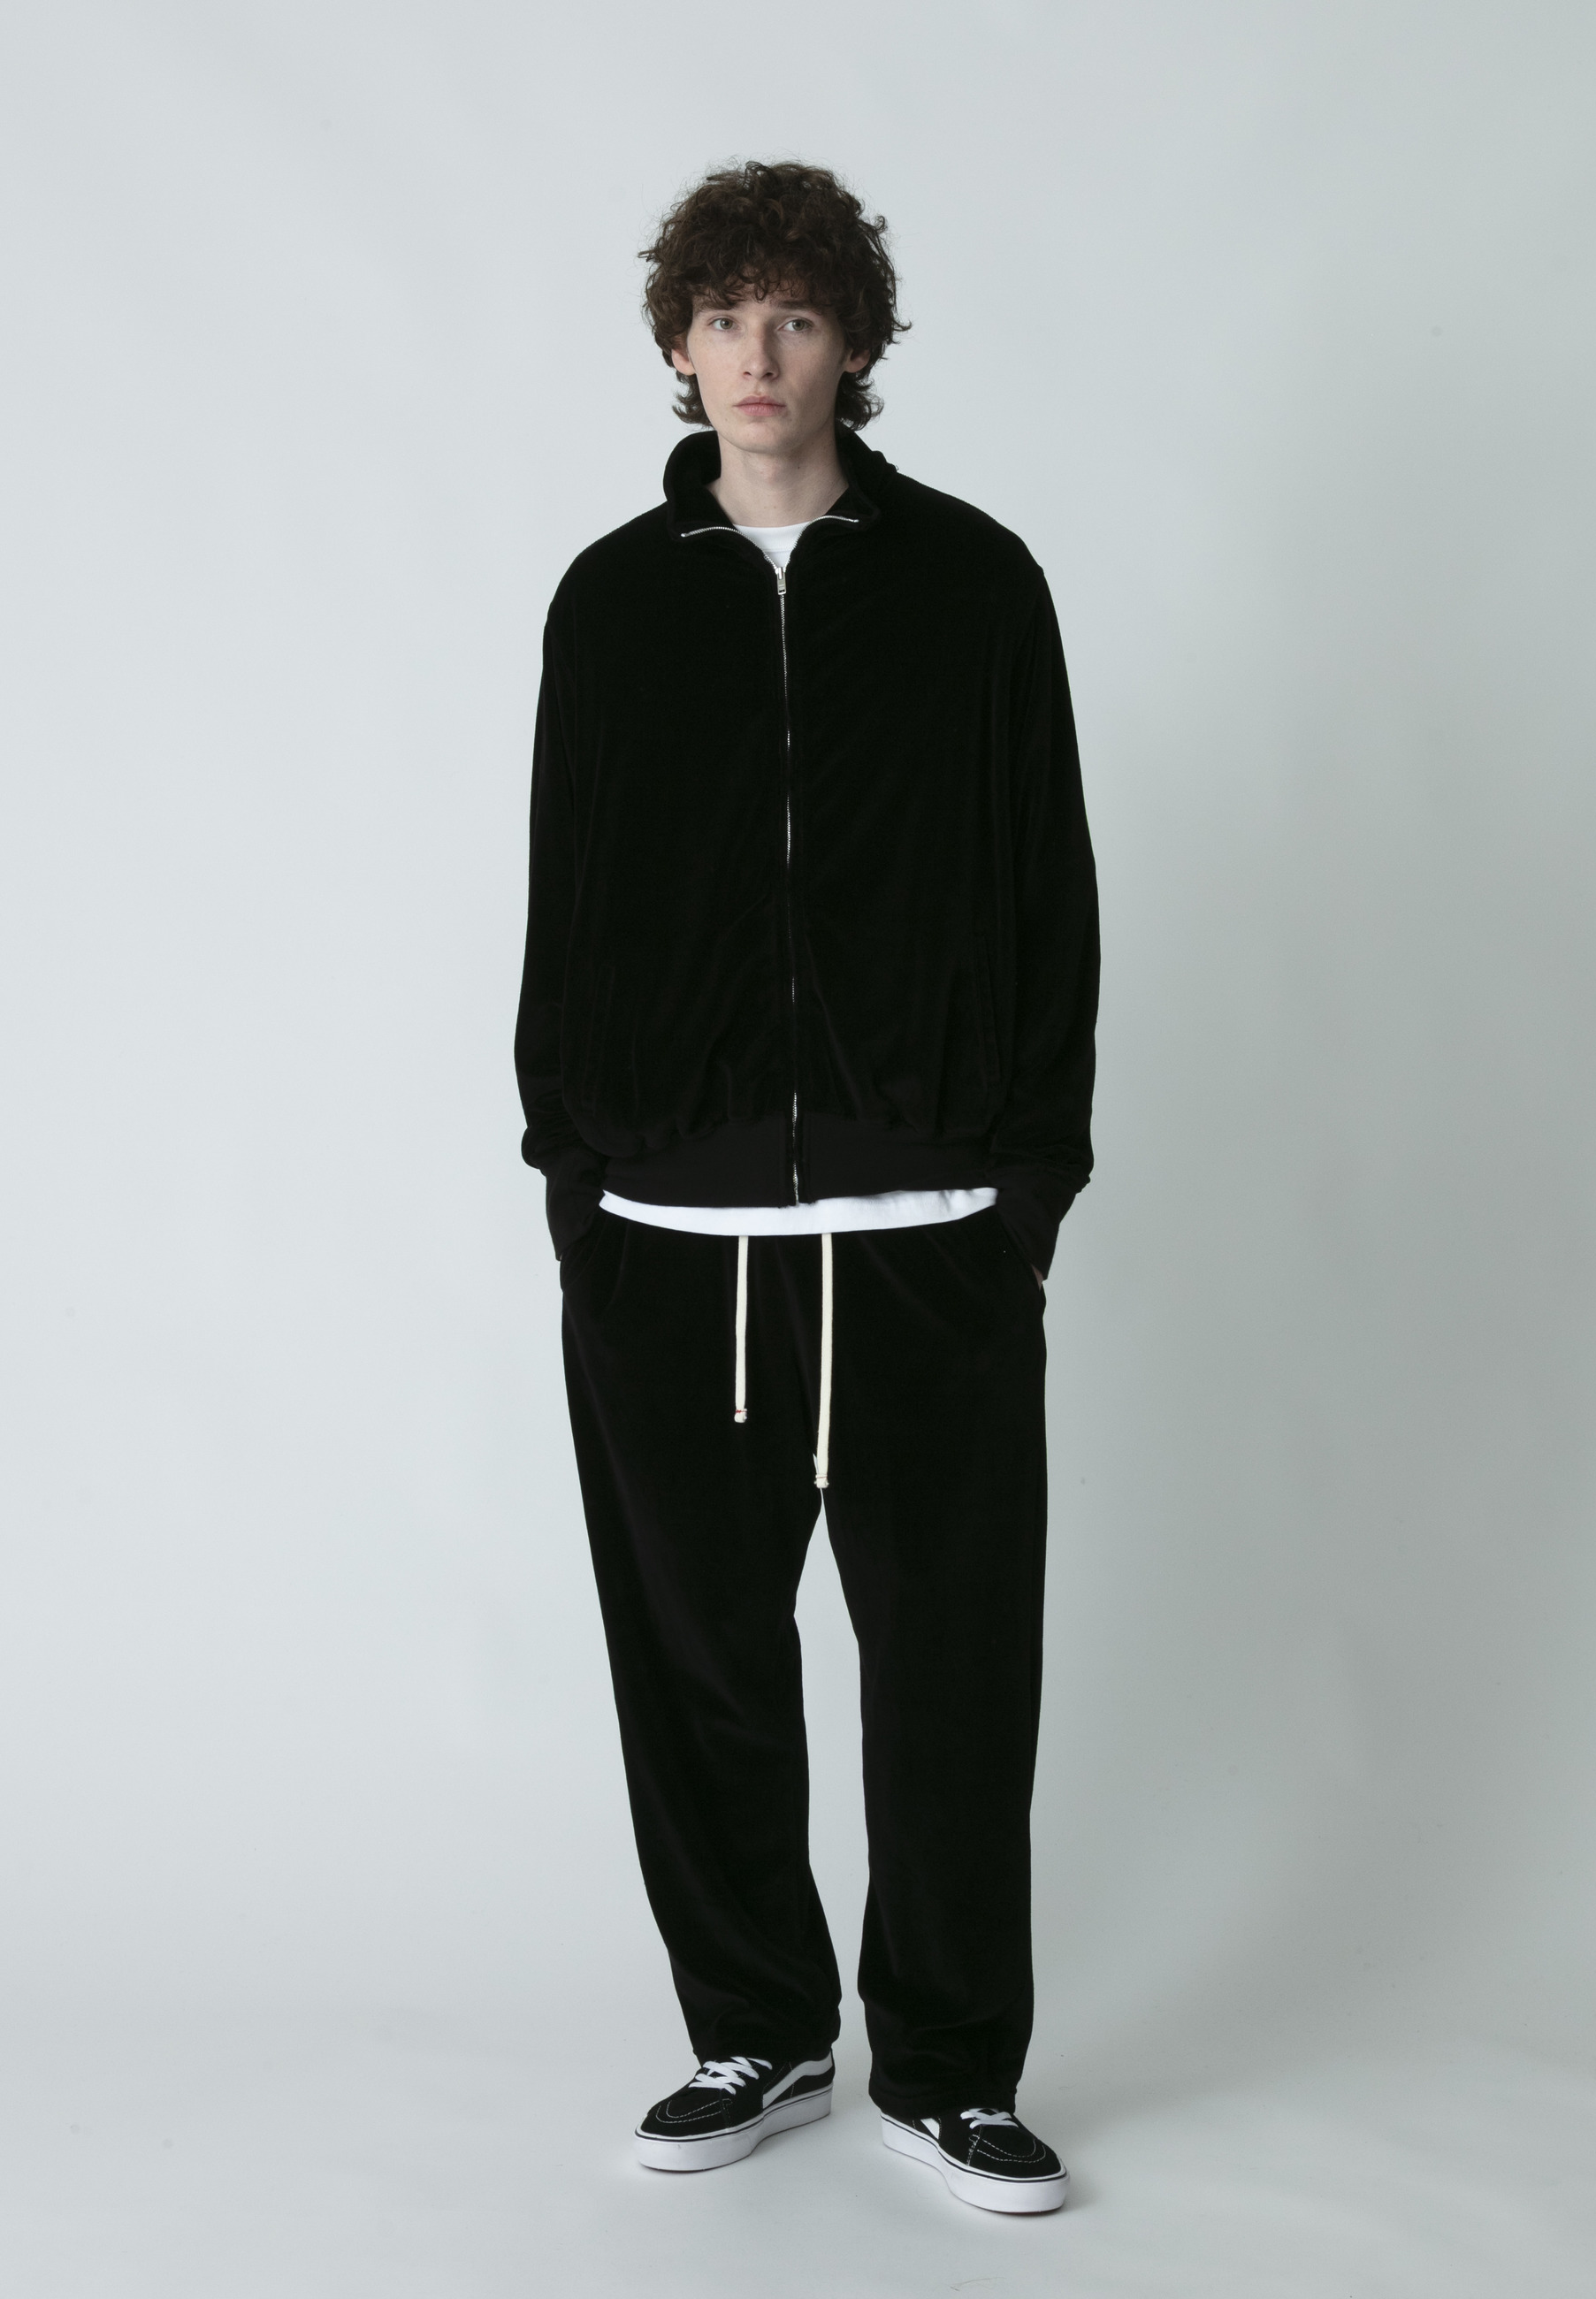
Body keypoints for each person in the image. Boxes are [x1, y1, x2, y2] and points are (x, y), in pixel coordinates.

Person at [514, 160, 1098, 2216]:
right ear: (678, 349)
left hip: (927, 1233)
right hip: (673, 1241)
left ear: (853, 342)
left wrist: (1025, 1178)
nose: (757, 354)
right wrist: (579, 1170)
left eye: (796, 315)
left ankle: (949, 2063)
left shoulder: (972, 585)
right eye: (723, 317)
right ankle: (754, 2026)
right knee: (700, 1665)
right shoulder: (612, 601)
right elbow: (566, 892)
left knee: (952, 1669)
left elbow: (1046, 885)